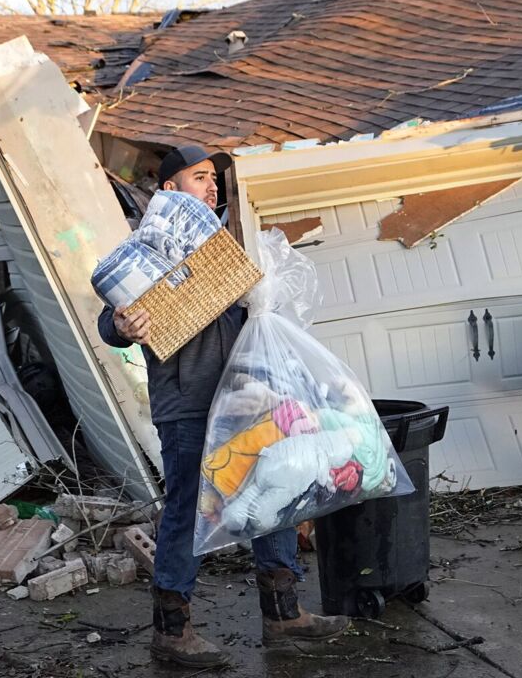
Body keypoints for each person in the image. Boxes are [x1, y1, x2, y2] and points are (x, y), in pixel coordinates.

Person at [97, 145, 348, 668]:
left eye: (214, 179)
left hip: (248, 393)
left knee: (274, 492)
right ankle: (171, 629)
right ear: (169, 190)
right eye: (199, 177)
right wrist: (121, 325)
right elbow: (110, 320)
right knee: (190, 509)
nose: (211, 187)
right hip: (187, 402)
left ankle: (282, 614)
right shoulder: (148, 251)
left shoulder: (226, 248)